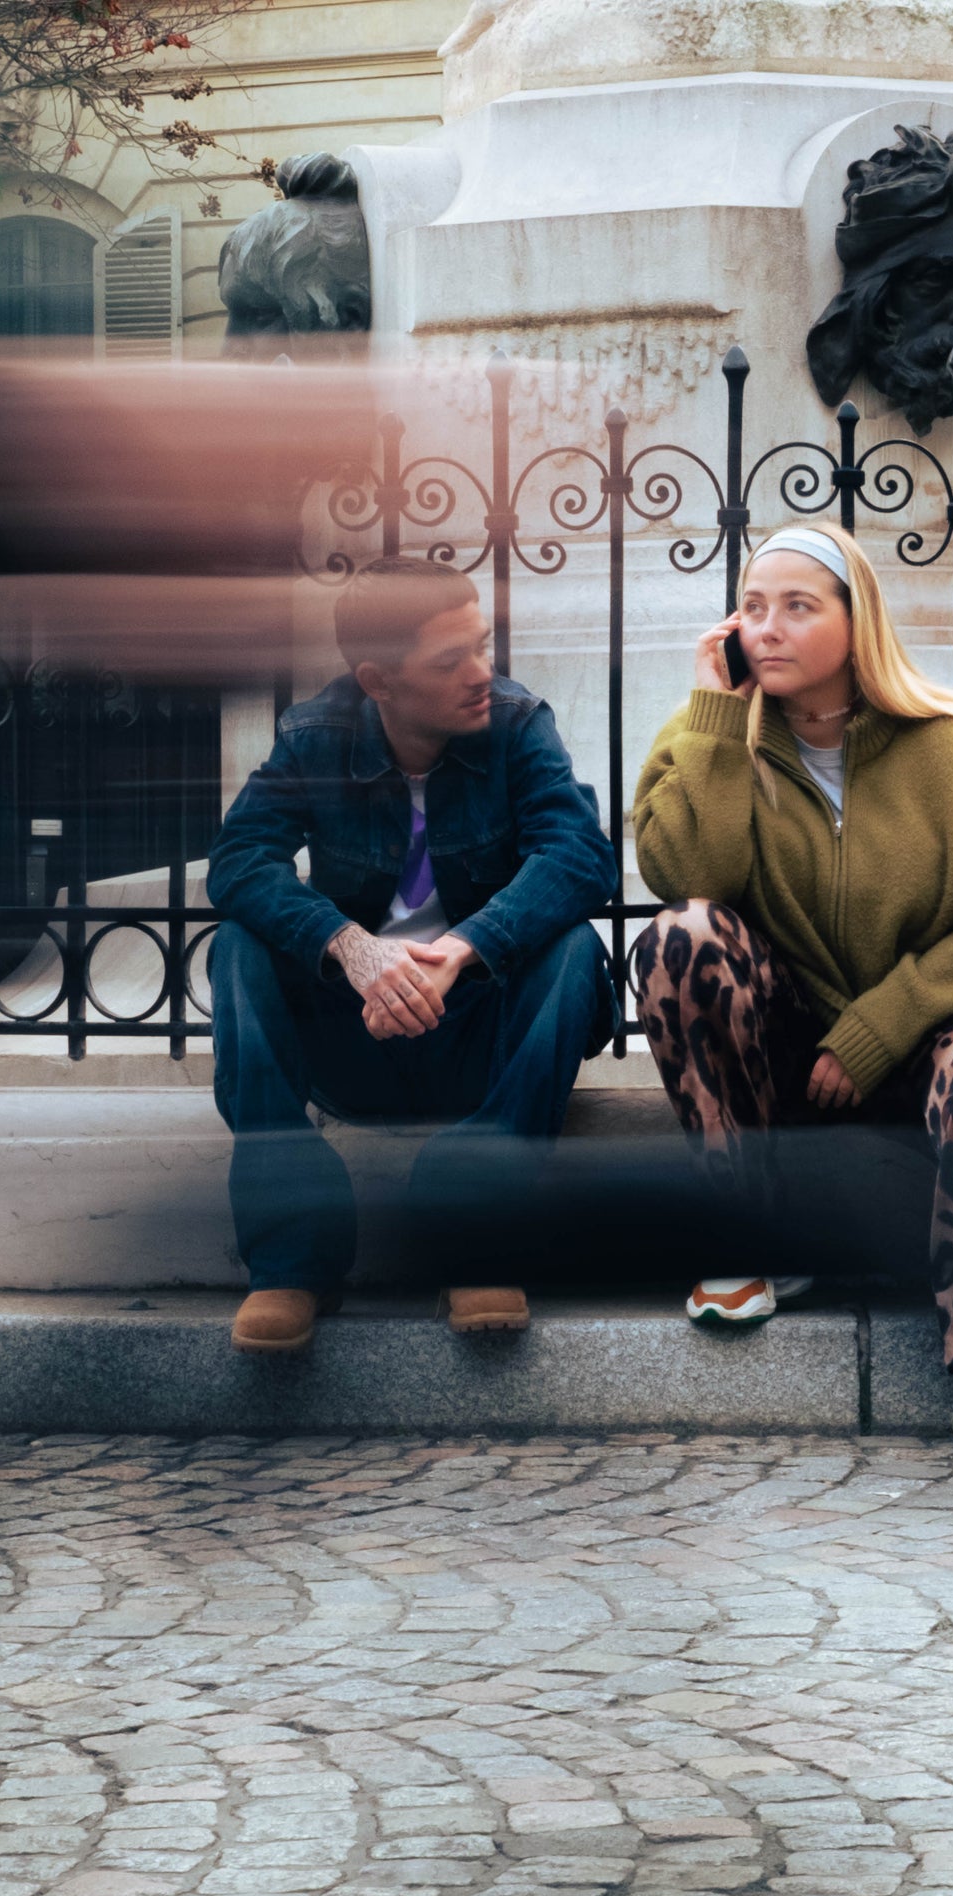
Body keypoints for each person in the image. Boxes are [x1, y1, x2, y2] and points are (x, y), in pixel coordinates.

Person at [628, 523, 953, 1461]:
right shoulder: (704, 736)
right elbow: (688, 874)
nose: (769, 628)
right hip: (785, 1044)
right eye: (754, 608)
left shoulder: (952, 746)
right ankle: (746, 1238)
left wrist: (880, 1028)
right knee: (684, 938)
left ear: (856, 619)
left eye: (799, 606)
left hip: (923, 1036)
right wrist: (716, 726)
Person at [206, 556, 617, 1352]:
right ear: (378, 681)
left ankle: (475, 1238)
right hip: (355, 1032)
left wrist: (467, 947)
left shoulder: (517, 724)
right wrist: (346, 946)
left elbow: (580, 855)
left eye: (483, 645)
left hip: (474, 1031)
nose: (481, 674)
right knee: (239, 945)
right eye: (449, 660)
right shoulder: (315, 738)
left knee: (571, 950)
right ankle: (292, 1258)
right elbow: (239, 861)